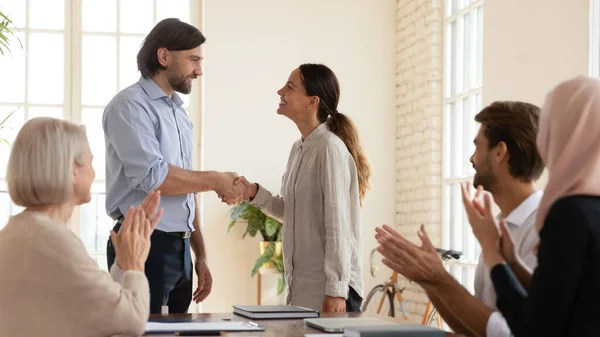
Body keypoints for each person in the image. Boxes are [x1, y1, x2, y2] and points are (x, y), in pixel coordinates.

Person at [103, 18, 245, 314]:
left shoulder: (179, 114)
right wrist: (217, 179)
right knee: (142, 332)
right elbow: (154, 177)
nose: (199, 70)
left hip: (180, 250)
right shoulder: (129, 106)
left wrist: (200, 254)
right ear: (164, 56)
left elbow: (187, 187)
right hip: (143, 246)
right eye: (193, 59)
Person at [375, 101, 544, 337]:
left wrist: (438, 277)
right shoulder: (498, 226)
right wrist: (428, 281)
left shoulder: (542, 228)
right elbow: (477, 327)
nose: (471, 158)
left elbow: (509, 332)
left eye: (478, 146)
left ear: (499, 152)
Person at [225, 64, 371, 312]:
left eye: (290, 87)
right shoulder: (299, 149)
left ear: (312, 101)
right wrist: (253, 193)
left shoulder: (330, 149)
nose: (280, 91)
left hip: (331, 292)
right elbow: (293, 212)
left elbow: (338, 225)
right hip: (304, 289)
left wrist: (336, 292)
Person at [462, 76, 600, 336]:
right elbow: (565, 304)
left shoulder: (569, 213)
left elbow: (535, 327)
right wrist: (512, 263)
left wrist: (492, 251)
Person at [0, 117, 163, 337]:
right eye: (90, 162)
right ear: (72, 169)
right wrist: (134, 263)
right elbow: (130, 321)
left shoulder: (19, 233)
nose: (95, 173)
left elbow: (95, 306)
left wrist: (123, 264)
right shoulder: (52, 240)